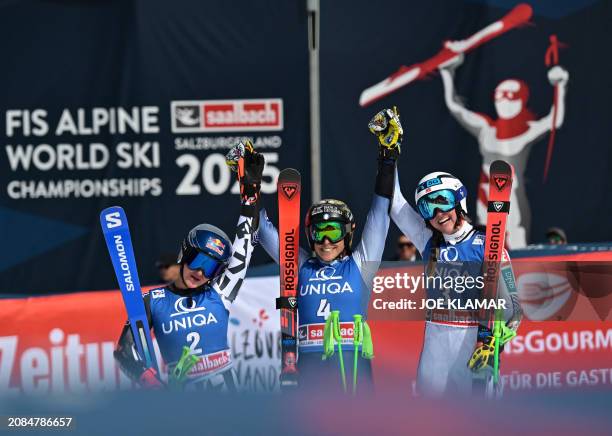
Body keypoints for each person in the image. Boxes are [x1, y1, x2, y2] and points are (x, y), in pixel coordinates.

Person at [253, 108, 400, 392]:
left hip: (353, 371)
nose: (326, 241)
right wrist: (251, 188)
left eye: (333, 231)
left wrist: (388, 155)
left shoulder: (361, 264)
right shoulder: (298, 264)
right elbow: (262, 229)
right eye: (319, 232)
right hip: (309, 371)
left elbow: (381, 211)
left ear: (348, 234)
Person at [387, 109, 522, 396]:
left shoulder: (488, 243)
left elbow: (513, 307)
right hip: (436, 338)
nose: (437, 213)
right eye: (427, 207)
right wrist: (389, 154)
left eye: (442, 201)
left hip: (475, 338)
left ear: (458, 200)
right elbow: (393, 203)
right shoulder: (428, 241)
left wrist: (496, 341)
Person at [114, 146, 264, 391]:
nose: (202, 273)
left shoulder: (220, 293)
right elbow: (124, 352)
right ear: (184, 254)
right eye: (198, 262)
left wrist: (250, 194)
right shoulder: (153, 301)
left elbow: (244, 245)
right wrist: (152, 384)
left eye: (213, 268)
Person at [438, 48, 569, 248]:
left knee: (515, 233)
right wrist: (447, 73)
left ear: (521, 99)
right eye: (499, 95)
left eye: (510, 95)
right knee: (485, 237)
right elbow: (455, 107)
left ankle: (519, 273)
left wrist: (560, 86)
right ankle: (487, 275)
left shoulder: (527, 130)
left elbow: (554, 119)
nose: (503, 100)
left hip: (511, 193)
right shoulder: (486, 129)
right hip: (486, 192)